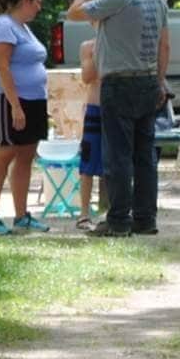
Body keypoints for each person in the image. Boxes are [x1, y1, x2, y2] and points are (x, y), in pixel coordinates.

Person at [66, 0, 169, 236]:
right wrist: (160, 80)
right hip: (149, 80)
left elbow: (74, 12)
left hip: (119, 83)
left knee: (118, 156)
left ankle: (119, 221)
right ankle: (146, 219)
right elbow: (165, 45)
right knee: (144, 155)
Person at [0, 0, 52, 235]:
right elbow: (2, 66)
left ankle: (21, 216)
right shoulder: (4, 26)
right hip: (9, 99)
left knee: (26, 155)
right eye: (37, 2)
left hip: (33, 100)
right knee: (4, 152)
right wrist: (16, 106)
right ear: (25, 1)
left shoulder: (24, 28)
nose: (39, 7)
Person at [74, 37, 103, 230]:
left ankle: (117, 210)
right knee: (88, 162)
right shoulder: (88, 46)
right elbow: (87, 77)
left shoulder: (121, 41)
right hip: (95, 108)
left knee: (118, 159)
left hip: (117, 109)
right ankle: (84, 213)